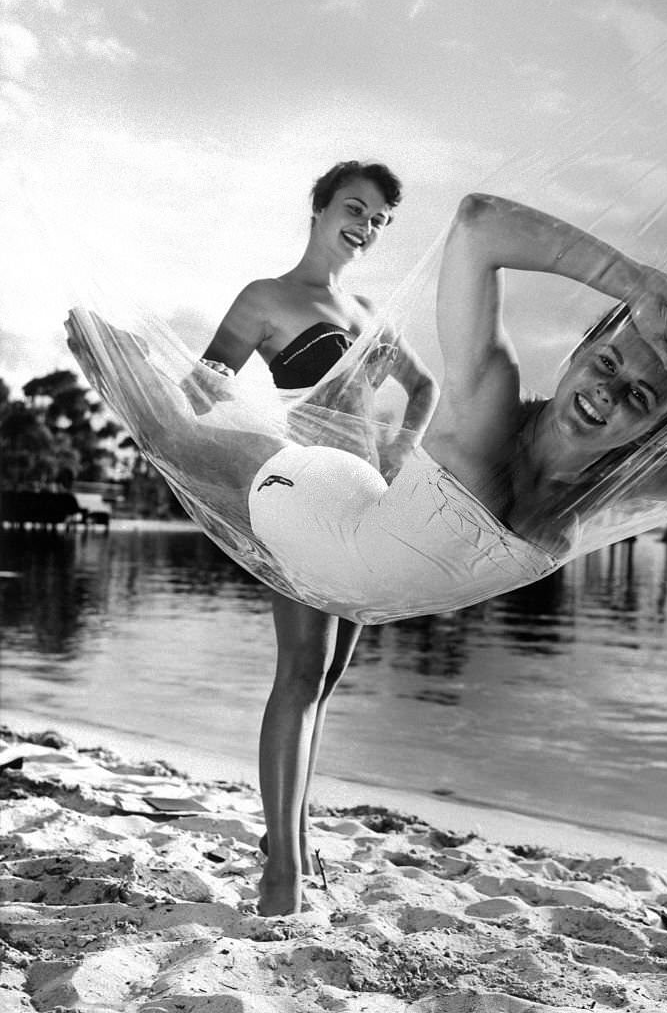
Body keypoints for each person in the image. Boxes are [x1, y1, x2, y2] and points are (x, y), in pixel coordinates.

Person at [66, 191, 667, 914]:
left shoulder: (612, 487)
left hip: (367, 527)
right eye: (606, 363)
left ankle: (284, 845)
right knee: (166, 433)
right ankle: (101, 330)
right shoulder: (491, 405)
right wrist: (642, 288)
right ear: (580, 349)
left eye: (640, 398)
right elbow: (478, 222)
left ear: (657, 426)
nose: (606, 396)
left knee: (315, 682)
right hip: (313, 509)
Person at [187, 161, 437, 916]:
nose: (363, 226)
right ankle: (282, 874)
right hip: (301, 499)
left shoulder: (368, 313)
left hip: (368, 507)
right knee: (299, 672)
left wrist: (398, 450)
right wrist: (264, 442)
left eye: (378, 221)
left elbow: (423, 389)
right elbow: (202, 392)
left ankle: (286, 837)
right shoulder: (266, 299)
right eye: (353, 209)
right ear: (319, 208)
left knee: (323, 684)